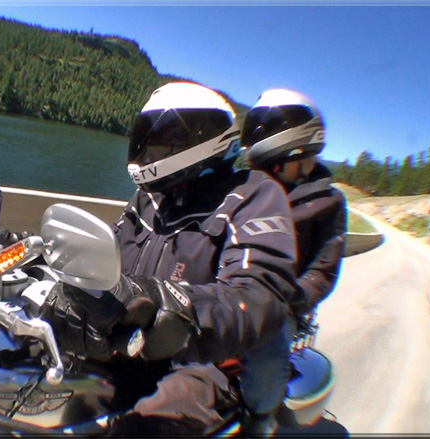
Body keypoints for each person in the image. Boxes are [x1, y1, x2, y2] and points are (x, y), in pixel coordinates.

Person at [41, 82, 298, 436]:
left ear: (195, 140)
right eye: (145, 138)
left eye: (158, 140)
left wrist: (178, 307)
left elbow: (259, 293)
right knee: (67, 412)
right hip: (130, 348)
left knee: (143, 432)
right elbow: (110, 253)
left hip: (203, 361)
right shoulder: (149, 198)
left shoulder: (253, 193)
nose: (147, 150)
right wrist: (60, 275)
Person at [240, 88, 347, 323]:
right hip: (227, 298)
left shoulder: (328, 202)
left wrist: (292, 298)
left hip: (278, 308)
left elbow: (322, 269)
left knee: (265, 358)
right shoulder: (242, 187)